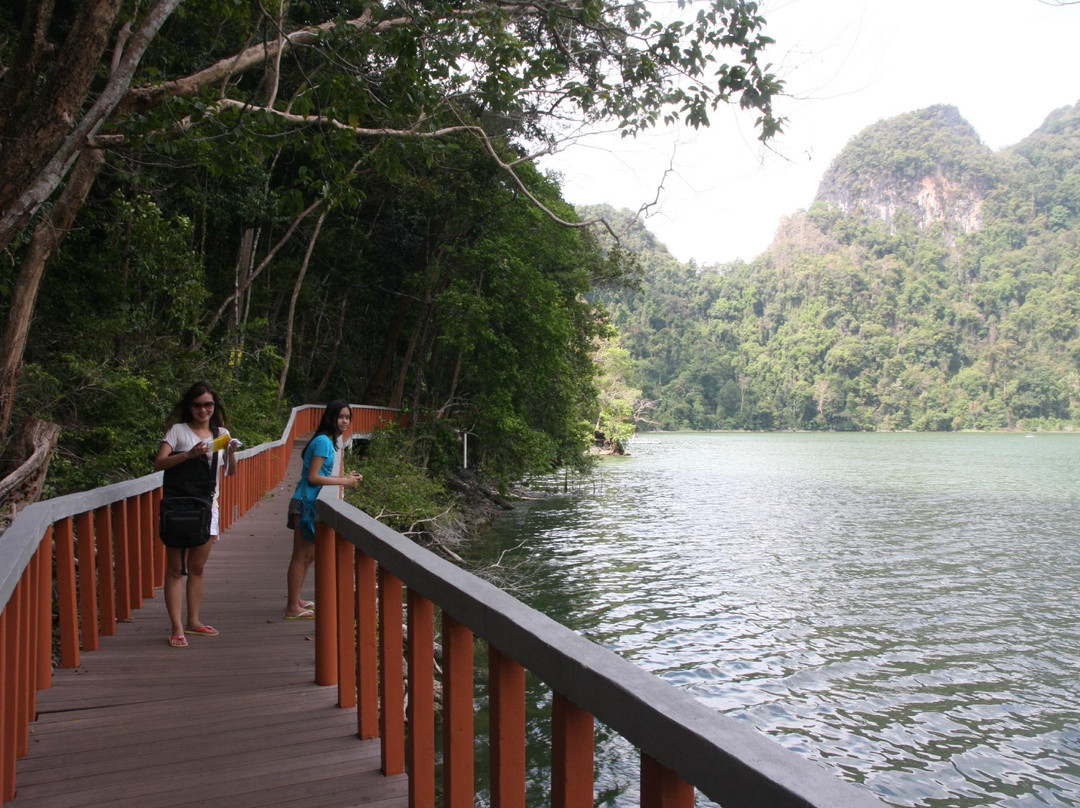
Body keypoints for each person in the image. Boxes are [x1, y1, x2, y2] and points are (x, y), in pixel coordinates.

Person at [154, 381, 238, 648]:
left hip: (208, 507)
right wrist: (189, 454)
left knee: (197, 568)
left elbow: (230, 472)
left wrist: (231, 452)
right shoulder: (178, 431)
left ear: (215, 406)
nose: (203, 410)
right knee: (176, 569)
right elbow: (159, 463)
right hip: (179, 506)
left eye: (208, 404)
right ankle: (176, 627)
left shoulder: (220, 433)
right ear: (189, 406)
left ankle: (194, 621)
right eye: (198, 405)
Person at [285, 400, 363, 619]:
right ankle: (292, 607)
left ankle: (297, 599)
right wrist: (345, 482)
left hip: (309, 502)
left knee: (308, 556)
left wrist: (345, 478)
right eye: (340, 417)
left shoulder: (329, 441)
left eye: (348, 417)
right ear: (330, 417)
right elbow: (313, 477)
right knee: (300, 556)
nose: (345, 421)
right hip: (304, 502)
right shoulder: (322, 442)